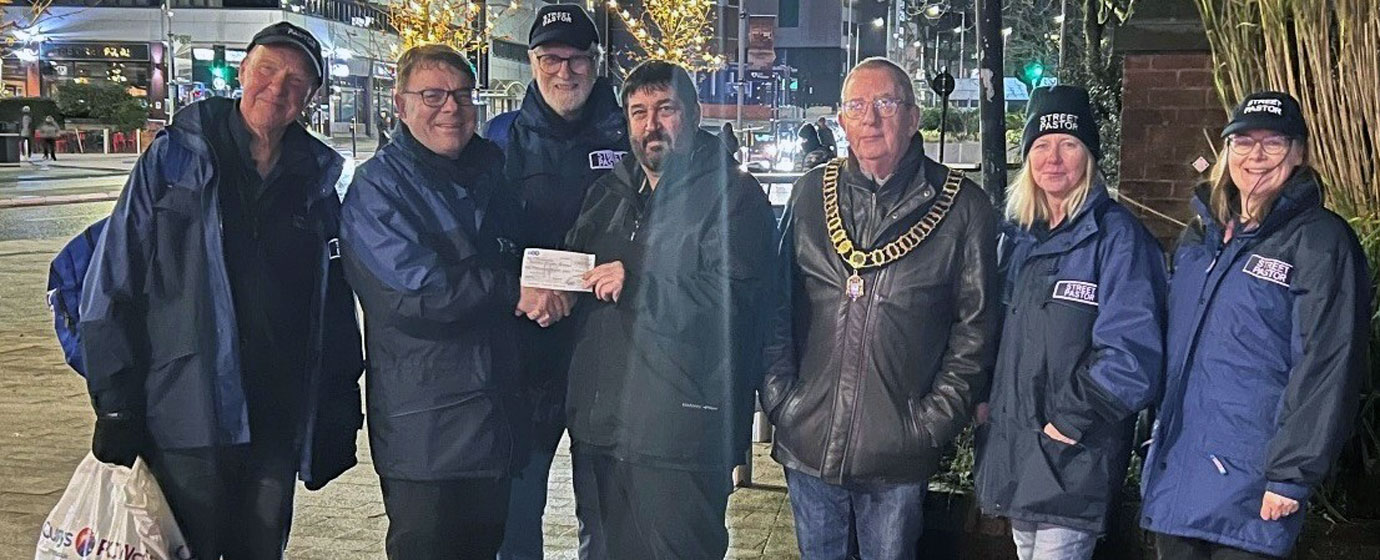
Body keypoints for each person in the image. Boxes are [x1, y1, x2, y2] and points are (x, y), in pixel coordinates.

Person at [78, 21, 364, 559]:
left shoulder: (316, 180)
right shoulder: (175, 158)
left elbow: (334, 306)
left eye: (297, 80)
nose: (278, 88)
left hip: (275, 416)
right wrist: (115, 402)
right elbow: (114, 278)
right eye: (267, 70)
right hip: (186, 409)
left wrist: (337, 404)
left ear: (312, 96)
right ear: (242, 71)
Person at [761, 57, 999, 560]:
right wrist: (782, 400)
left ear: (913, 118)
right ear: (841, 120)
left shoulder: (963, 208)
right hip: (809, 441)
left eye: (886, 104)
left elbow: (974, 332)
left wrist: (929, 425)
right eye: (856, 105)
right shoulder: (809, 196)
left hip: (898, 454)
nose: (870, 118)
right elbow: (775, 308)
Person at [340, 44, 561, 560]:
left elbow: (527, 255)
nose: (451, 108)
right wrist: (514, 290)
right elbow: (417, 294)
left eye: (462, 95)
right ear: (400, 105)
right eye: (433, 95)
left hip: (495, 425)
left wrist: (573, 278)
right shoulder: (378, 189)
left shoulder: (493, 175)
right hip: (428, 437)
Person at [1140, 91, 1370, 560]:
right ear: (1227, 153)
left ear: (1299, 153)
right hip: (1180, 469)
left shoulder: (1320, 243)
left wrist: (1293, 473)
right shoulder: (1199, 239)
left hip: (1255, 483)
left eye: (1274, 143)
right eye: (1243, 143)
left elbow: (1328, 364)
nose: (1256, 157)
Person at [563, 60, 777, 560]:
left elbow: (737, 304)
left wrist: (637, 285)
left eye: (665, 109)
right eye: (638, 112)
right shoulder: (610, 192)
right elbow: (577, 270)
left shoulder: (733, 197)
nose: (650, 125)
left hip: (681, 436)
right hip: (601, 432)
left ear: (695, 114)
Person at [974, 85, 1168, 560]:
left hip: (1074, 453)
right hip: (1019, 446)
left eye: (1068, 144)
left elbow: (1134, 353)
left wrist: (1068, 421)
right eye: (1041, 145)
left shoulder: (1118, 239)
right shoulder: (1016, 239)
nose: (1053, 158)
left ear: (1090, 157)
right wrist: (983, 400)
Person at [483, 6, 628, 558]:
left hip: (607, 346)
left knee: (607, 512)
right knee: (518, 511)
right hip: (527, 350)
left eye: (575, 59)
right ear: (532, 63)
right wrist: (523, 290)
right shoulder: (501, 139)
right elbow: (483, 236)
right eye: (549, 58)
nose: (563, 71)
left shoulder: (631, 129)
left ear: (596, 63)